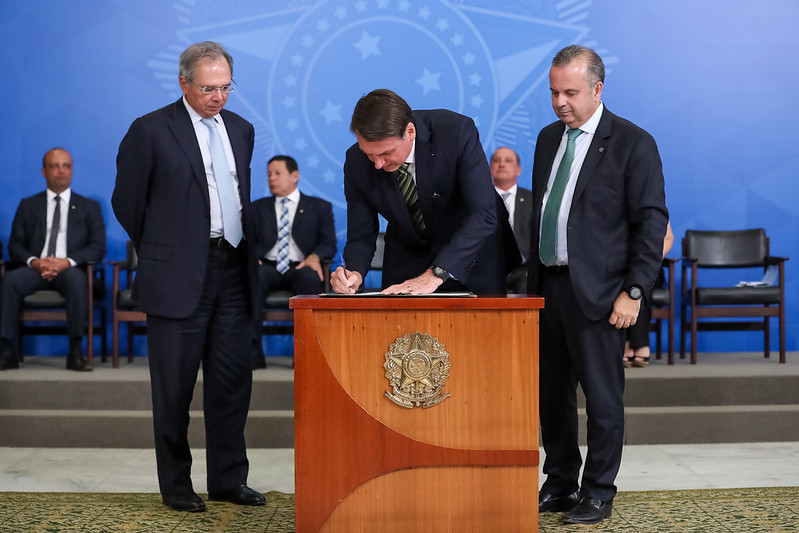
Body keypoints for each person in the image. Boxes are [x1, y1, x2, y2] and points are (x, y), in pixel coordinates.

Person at [112, 41, 265, 513]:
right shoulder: (151, 130)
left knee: (231, 383)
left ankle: (227, 479)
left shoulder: (241, 129)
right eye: (208, 88)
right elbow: (128, 203)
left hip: (234, 271)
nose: (218, 97)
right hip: (177, 276)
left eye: (225, 87)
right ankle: (177, 485)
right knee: (174, 390)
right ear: (183, 84)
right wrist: (167, 247)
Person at [528, 45, 668, 525]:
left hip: (605, 295)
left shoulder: (633, 142)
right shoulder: (548, 139)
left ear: (598, 88)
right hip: (549, 286)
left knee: (603, 400)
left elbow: (651, 225)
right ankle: (562, 482)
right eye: (553, 92)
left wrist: (634, 293)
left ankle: (599, 492)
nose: (560, 102)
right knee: (552, 397)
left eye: (570, 92)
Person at [330, 88, 518, 295]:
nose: (377, 164)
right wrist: (354, 273)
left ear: (410, 132)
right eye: (370, 155)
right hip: (407, 256)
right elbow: (360, 236)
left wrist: (437, 273)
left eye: (385, 153)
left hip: (471, 253)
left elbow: (483, 214)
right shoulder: (356, 161)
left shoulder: (455, 132)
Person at [0, 148, 105, 371]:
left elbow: (98, 247)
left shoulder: (89, 207)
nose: (61, 171)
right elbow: (15, 245)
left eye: (66, 166)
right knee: (9, 282)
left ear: (72, 170)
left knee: (77, 282)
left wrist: (66, 262)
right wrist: (36, 262)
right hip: (36, 268)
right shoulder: (28, 205)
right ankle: (6, 351)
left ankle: (75, 352)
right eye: (55, 166)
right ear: (44, 171)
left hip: (70, 269)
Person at [250, 155, 336, 368]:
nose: (271, 179)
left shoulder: (319, 207)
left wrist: (314, 258)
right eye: (269, 174)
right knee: (252, 276)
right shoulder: (256, 208)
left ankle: (306, 352)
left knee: (310, 277)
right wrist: (250, 256)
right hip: (267, 267)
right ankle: (252, 352)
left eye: (277, 173)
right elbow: (245, 240)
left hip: (300, 266)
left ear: (295, 176)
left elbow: (329, 244)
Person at [624, 221, 674, 367]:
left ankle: (638, 344)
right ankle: (628, 343)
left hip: (650, 266)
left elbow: (668, 239)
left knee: (641, 284)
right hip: (622, 266)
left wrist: (649, 259)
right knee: (625, 281)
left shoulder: (654, 207)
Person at [490, 147, 532, 294]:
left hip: (525, 275)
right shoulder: (479, 200)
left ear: (518, 170)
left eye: (508, 160)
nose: (501, 164)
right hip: (489, 273)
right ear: (489, 169)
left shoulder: (533, 200)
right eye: (496, 161)